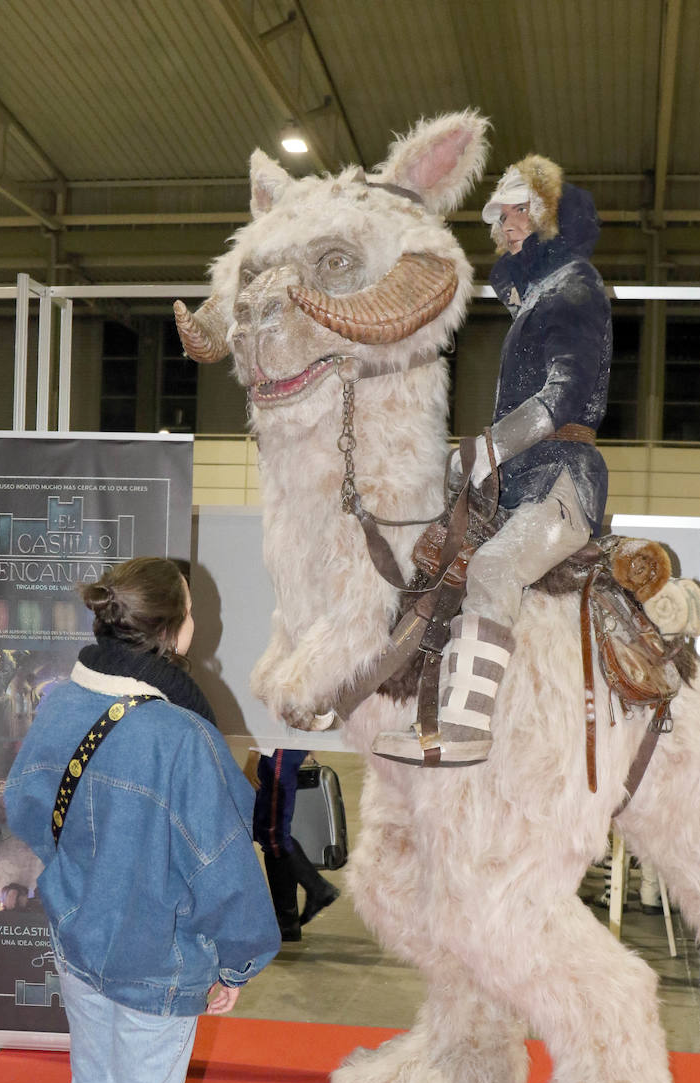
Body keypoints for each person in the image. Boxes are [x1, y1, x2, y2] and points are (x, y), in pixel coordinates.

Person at [4, 556, 280, 1083]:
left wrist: (87, 874)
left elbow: (25, 805)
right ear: (174, 629)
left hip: (77, 936)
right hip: (154, 960)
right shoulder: (182, 738)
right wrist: (234, 965)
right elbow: (227, 869)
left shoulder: (62, 699)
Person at [374, 156, 612, 765]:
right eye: (499, 217)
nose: (502, 227)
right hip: (520, 484)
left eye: (513, 213)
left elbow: (565, 396)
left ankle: (464, 724)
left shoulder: (575, 287)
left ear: (544, 218)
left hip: (561, 482)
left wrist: (490, 448)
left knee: (494, 568)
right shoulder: (543, 296)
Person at [252, 748, 339, 942]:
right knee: (270, 834)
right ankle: (287, 924)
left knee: (273, 834)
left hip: (276, 748)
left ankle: (318, 889)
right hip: (279, 748)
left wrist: (252, 755)